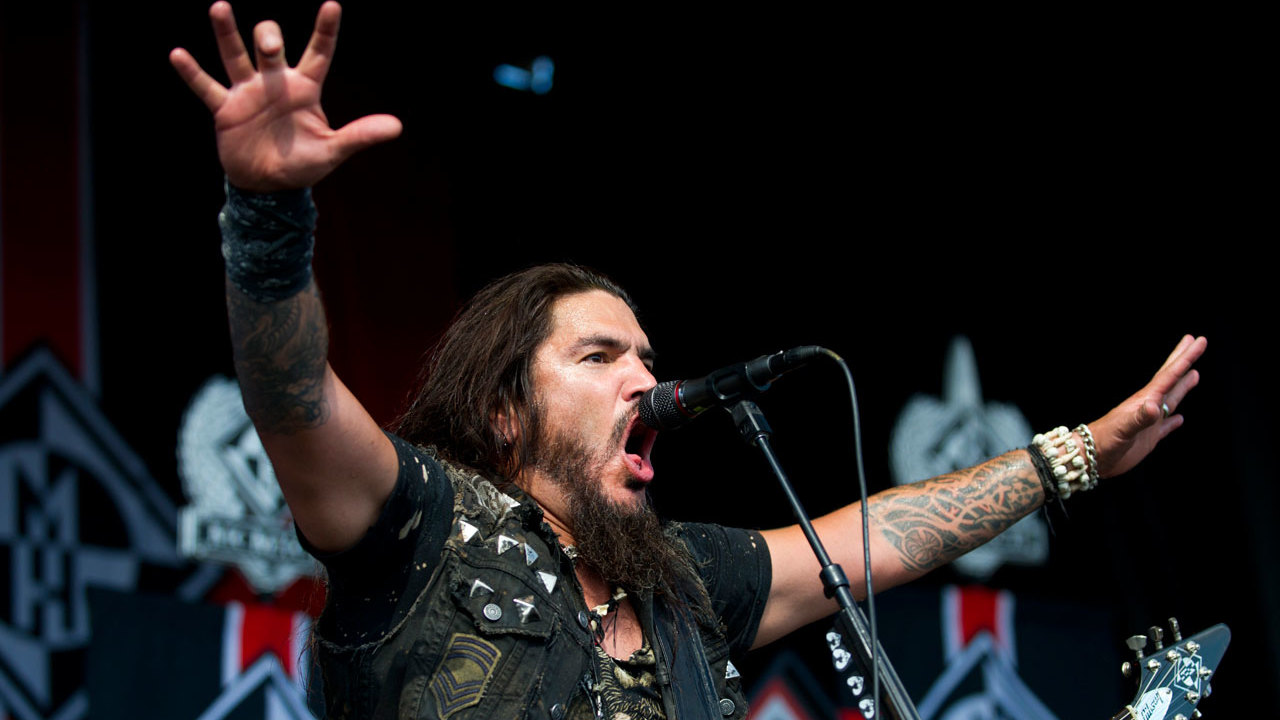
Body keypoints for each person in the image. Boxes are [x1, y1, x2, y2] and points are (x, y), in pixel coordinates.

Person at [170, 3, 1208, 719]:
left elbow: (880, 538)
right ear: (501, 411)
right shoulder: (418, 525)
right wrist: (267, 214)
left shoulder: (682, 584)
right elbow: (293, 394)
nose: (641, 378)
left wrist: (1074, 454)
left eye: (645, 355)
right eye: (597, 355)